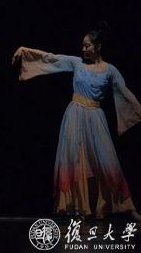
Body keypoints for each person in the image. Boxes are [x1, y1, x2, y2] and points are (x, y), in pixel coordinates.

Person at [12, 23, 141, 220]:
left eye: (87, 45)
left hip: (96, 117)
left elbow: (125, 93)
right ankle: (80, 208)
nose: (83, 49)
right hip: (74, 116)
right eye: (83, 45)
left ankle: (127, 207)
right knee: (76, 160)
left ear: (98, 47)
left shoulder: (110, 70)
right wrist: (24, 50)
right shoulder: (76, 63)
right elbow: (51, 58)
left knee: (108, 161)